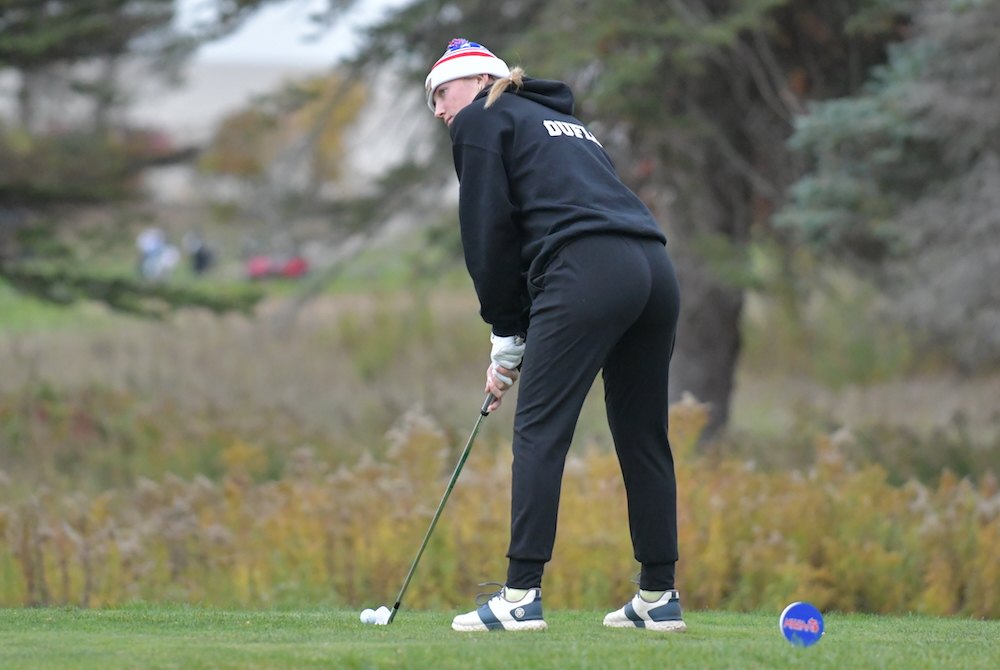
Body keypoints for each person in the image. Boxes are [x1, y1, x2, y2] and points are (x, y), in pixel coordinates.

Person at [425, 39, 685, 633]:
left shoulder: (479, 119)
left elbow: (489, 236)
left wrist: (505, 335)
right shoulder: (563, 121)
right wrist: (515, 334)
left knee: (539, 430)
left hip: (588, 268)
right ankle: (658, 598)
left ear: (475, 82)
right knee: (643, 435)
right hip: (653, 270)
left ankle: (519, 598)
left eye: (442, 93)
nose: (441, 110)